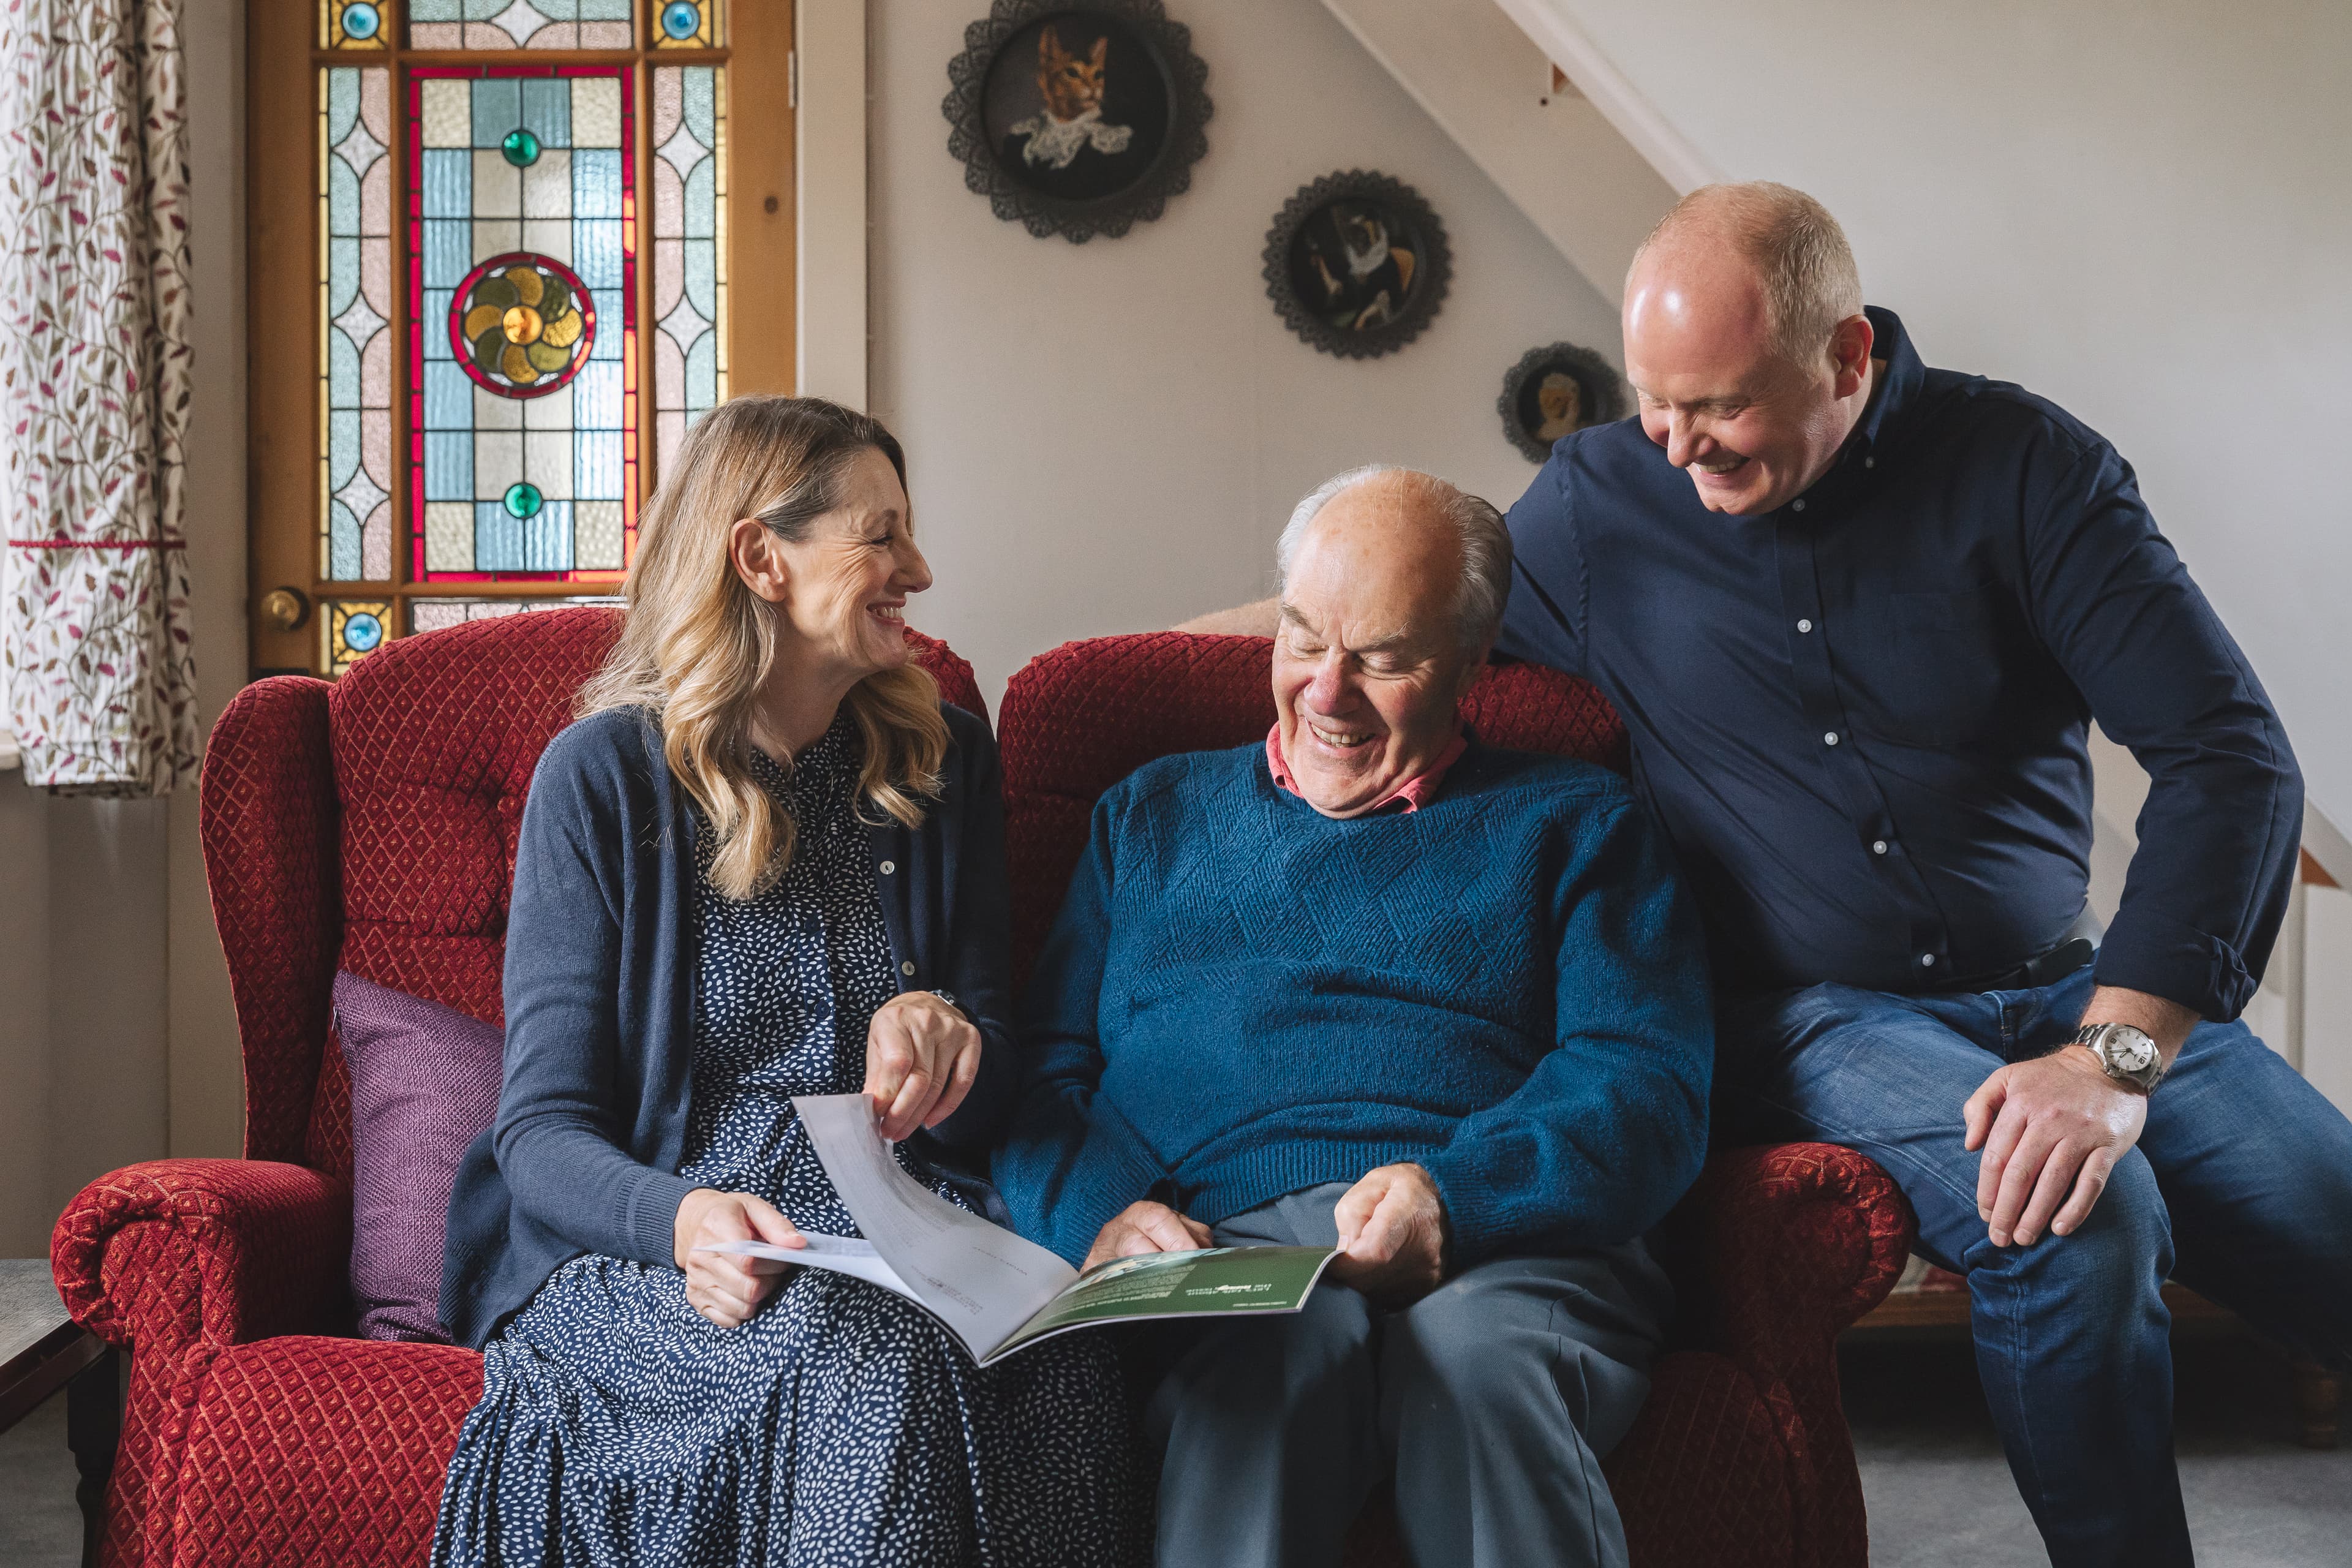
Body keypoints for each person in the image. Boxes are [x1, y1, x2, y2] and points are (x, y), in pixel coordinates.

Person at [1181, 183, 2352, 1567]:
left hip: (2079, 992)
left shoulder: (2029, 469)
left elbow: (2230, 756)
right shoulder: (1607, 502)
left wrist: (2113, 1058)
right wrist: (1111, 664)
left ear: (1848, 357)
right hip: (1813, 1014)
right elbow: (1391, 603)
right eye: (1652, 400)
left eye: (1720, 407)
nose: (1675, 444)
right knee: (2077, 1217)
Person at [431, 396, 1145, 1567]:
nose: (917, 567)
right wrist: (683, 1222)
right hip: (668, 1242)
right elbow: (542, 1134)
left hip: (908, 1223)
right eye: (882, 535)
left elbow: (1004, 1067)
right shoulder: (603, 777)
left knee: (1067, 1360)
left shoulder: (943, 758)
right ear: (761, 556)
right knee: (877, 1363)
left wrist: (954, 1041)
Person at [997, 467, 1714, 1568]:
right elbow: (1041, 1074)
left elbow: (1645, 1084)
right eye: (1303, 639)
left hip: (1509, 1238)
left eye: (1382, 659)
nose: (1327, 691)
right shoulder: (1148, 816)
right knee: (1271, 1360)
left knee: (1476, 1362)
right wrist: (1102, 1214)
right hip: (1219, 1241)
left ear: (1475, 666)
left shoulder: (1580, 826)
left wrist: (1460, 1195)